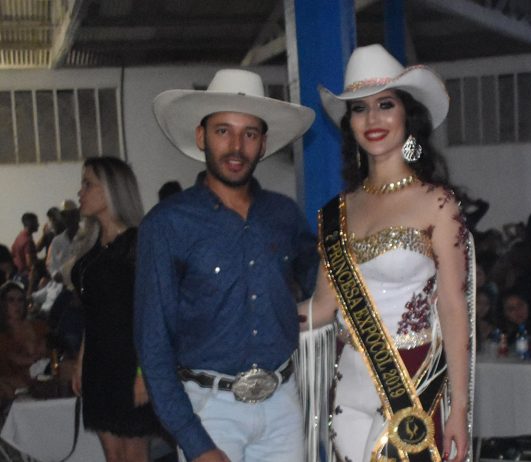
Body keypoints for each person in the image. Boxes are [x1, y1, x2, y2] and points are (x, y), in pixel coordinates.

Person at [300, 44, 473, 462]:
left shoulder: (437, 203)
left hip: (411, 384)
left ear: (406, 115)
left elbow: (453, 307)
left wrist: (460, 407)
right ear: (350, 123)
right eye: (359, 109)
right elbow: (321, 309)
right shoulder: (336, 212)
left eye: (385, 105)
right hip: (348, 387)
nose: (373, 119)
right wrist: (255, 316)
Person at [134, 69, 318, 462]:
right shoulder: (167, 225)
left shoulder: (284, 215)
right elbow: (153, 344)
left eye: (249, 133)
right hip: (209, 412)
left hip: (283, 404)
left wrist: (300, 310)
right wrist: (195, 442)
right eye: (223, 131)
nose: (236, 146)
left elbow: (319, 277)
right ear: (201, 136)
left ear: (263, 144)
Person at [70, 156, 160, 462]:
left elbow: (151, 313)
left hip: (130, 361)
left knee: (133, 454)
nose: (80, 192)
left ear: (111, 189)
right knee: (113, 455)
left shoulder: (137, 243)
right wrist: (81, 361)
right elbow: (93, 313)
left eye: (88, 184)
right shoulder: (93, 249)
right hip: (99, 362)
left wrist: (144, 373)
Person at [0, 281, 48, 396]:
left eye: (20, 300)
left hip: (44, 375)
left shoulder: (38, 326)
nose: (17, 305)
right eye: (11, 300)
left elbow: (51, 349)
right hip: (13, 382)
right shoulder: (2, 335)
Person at [11, 212, 39, 292]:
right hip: (27, 278)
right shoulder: (28, 241)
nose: (38, 225)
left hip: (17, 276)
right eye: (36, 222)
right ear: (30, 224)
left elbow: (12, 254)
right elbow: (30, 263)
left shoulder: (19, 237)